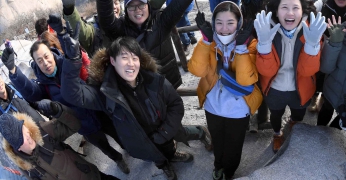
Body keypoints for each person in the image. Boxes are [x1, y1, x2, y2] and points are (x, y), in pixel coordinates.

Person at [60, 33, 209, 180]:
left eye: (135, 58)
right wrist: (72, 59)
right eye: (124, 58)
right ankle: (164, 165)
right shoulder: (105, 93)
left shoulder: (154, 81)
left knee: (176, 140)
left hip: (167, 129)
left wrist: (164, 132)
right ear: (112, 60)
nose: (131, 63)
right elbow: (71, 94)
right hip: (140, 142)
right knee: (155, 155)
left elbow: (176, 104)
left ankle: (193, 138)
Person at [1, 36, 129, 174]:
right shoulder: (44, 85)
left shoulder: (66, 64)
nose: (45, 63)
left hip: (98, 110)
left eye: (46, 56)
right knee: (104, 146)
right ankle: (118, 158)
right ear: (36, 65)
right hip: (83, 124)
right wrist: (13, 70)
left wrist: (66, 37)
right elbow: (31, 92)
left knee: (118, 133)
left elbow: (77, 57)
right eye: (40, 61)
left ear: (52, 53)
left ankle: (130, 148)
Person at [95, 0, 207, 89]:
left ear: (148, 6)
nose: (137, 10)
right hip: (140, 89)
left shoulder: (161, 21)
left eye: (141, 5)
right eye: (132, 6)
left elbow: (180, 2)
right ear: (126, 11)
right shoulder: (121, 29)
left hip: (167, 84)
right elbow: (106, 21)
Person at [188, 1, 262, 180]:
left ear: (239, 23)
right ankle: (218, 166)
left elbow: (246, 79)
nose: (224, 29)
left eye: (230, 23)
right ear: (213, 24)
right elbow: (196, 70)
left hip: (239, 108)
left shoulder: (250, 44)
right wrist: (205, 41)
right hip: (213, 105)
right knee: (217, 140)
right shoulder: (209, 43)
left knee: (234, 145)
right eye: (219, 23)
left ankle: (229, 172)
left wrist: (242, 48)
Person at [254, 0, 326, 152]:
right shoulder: (266, 30)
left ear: (303, 11)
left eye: (295, 8)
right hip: (274, 88)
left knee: (298, 115)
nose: (290, 13)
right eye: (284, 7)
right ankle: (277, 134)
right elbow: (267, 71)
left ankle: (293, 125)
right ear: (276, 11)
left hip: (300, 88)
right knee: (276, 116)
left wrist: (312, 45)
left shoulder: (312, 31)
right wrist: (264, 44)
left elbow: (307, 71)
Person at [0, 101, 120, 180]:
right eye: (22, 138)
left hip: (90, 176)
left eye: (23, 129)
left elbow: (74, 125)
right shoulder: (24, 166)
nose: (27, 135)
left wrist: (58, 110)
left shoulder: (42, 132)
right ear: (17, 148)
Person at [56, 0, 167, 57]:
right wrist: (70, 10)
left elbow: (146, 9)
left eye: (115, 2)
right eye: (108, 4)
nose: (113, 7)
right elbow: (82, 32)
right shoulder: (95, 30)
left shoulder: (128, 22)